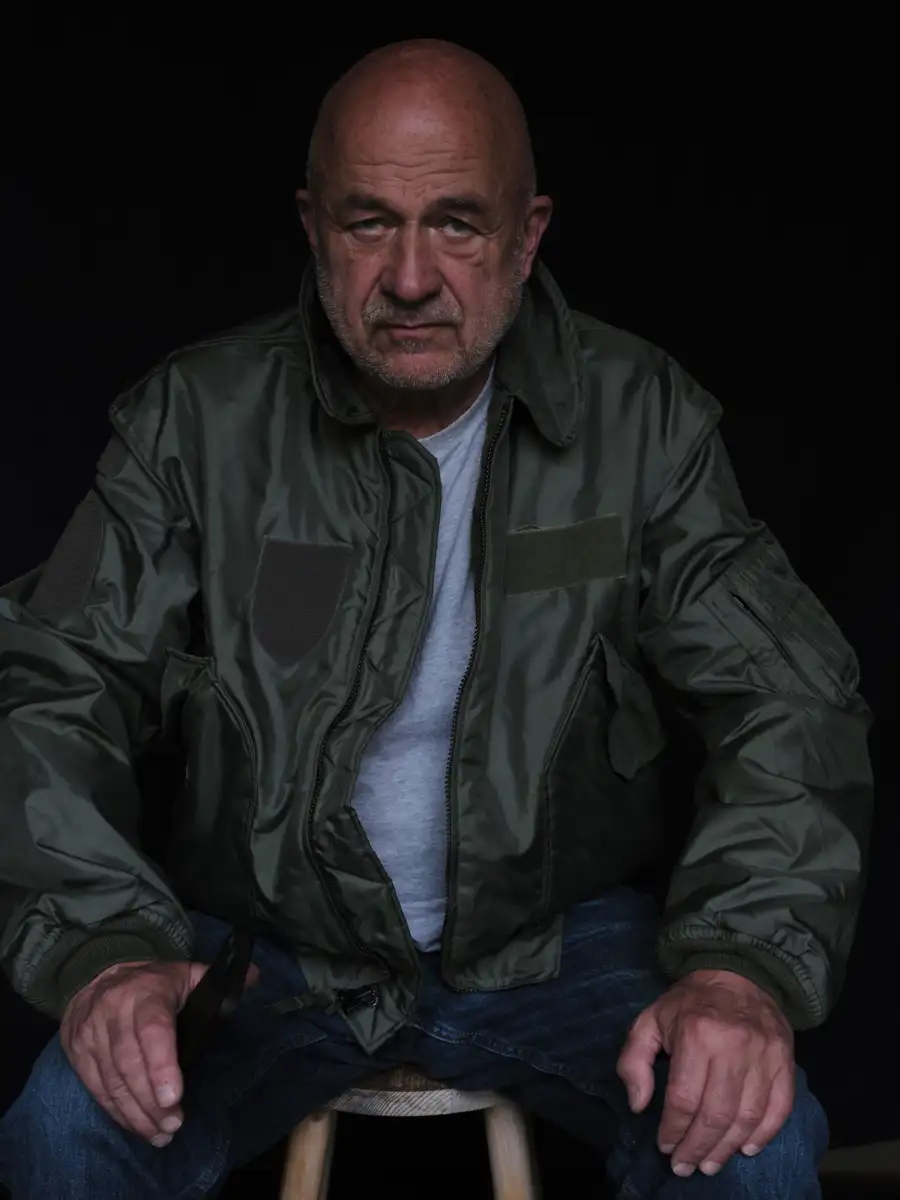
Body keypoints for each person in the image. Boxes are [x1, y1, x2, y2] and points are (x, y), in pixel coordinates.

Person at [0, 38, 873, 1200]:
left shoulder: (641, 423)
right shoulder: (194, 426)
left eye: (457, 224)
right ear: (312, 227)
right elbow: (49, 686)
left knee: (754, 1143)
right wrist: (106, 955)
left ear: (528, 234)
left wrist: (741, 970)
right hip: (265, 947)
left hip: (559, 947)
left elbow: (790, 700)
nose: (411, 278)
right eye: (369, 223)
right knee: (63, 1130)